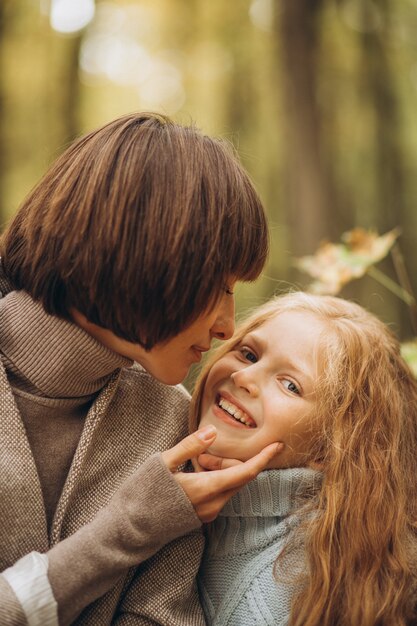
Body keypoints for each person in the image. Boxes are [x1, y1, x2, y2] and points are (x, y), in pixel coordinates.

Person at [0, 112, 280, 625]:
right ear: (151, 253)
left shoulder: (170, 422)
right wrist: (126, 529)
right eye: (221, 288)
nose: (227, 326)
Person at [193, 292, 417, 626]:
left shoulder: (317, 581)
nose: (244, 378)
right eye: (249, 354)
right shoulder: (158, 465)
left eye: (290, 385)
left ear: (330, 448)